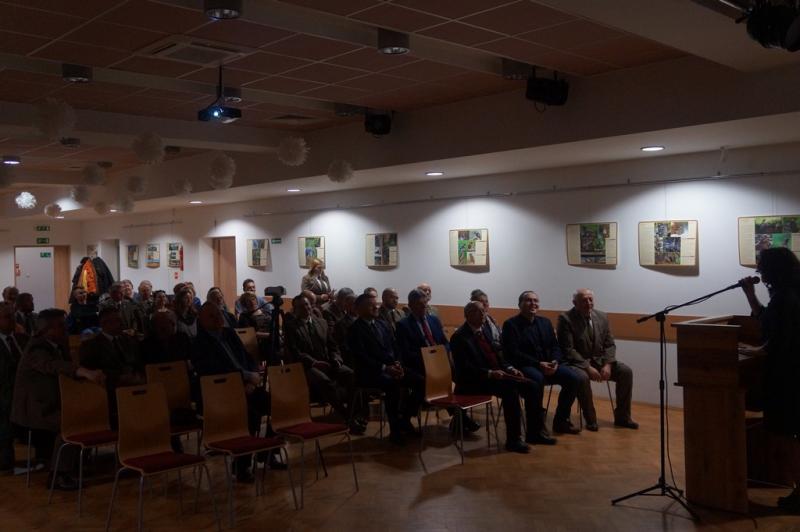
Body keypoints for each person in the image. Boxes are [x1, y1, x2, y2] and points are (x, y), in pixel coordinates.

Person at [11, 309, 105, 490]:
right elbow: (53, 366)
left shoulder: (58, 345)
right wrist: (83, 372)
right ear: (46, 330)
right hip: (36, 408)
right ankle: (58, 475)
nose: (66, 329)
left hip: (54, 403)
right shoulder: (36, 348)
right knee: (71, 423)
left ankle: (75, 464)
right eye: (61, 325)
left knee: (87, 416)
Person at [739, 247, 800, 510]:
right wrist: (750, 294)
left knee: (790, 435)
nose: (760, 273)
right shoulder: (788, 293)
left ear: (773, 270)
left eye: (762, 268)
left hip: (789, 379)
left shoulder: (785, 297)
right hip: (791, 376)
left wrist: (757, 350)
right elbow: (767, 321)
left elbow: (779, 340)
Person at [192, 302, 267, 482]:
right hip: (221, 395)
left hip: (246, 386)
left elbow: (247, 357)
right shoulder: (199, 343)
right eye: (212, 316)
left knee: (277, 404)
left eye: (219, 314)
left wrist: (253, 377)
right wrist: (246, 378)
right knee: (250, 413)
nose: (218, 318)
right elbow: (216, 371)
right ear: (201, 321)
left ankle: (269, 454)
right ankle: (242, 465)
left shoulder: (229, 333)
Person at [451, 302, 537, 453]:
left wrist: (510, 368)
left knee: (532, 385)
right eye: (478, 312)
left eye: (484, 311)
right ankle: (513, 440)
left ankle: (534, 431)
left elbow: (498, 356)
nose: (483, 314)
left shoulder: (485, 330)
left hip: (494, 376)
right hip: (473, 381)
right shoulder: (459, 337)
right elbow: (465, 369)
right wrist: (490, 373)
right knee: (510, 390)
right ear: (468, 315)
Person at [502, 291, 581, 443]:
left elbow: (555, 346)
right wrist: (538, 364)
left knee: (573, 378)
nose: (533, 303)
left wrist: (555, 361)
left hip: (549, 365)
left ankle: (561, 420)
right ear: (520, 304)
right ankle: (535, 431)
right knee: (536, 380)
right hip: (526, 366)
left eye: (536, 300)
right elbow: (513, 353)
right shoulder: (510, 325)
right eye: (528, 300)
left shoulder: (545, 322)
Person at [557, 289, 637, 431]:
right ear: (575, 303)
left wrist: (608, 364)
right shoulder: (565, 319)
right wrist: (587, 367)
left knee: (626, 372)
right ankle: (590, 419)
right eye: (584, 300)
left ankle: (623, 417)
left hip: (600, 361)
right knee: (582, 378)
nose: (588, 303)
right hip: (577, 363)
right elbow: (568, 349)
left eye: (590, 299)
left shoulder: (602, 316)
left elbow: (609, 344)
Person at [347, 293, 422, 445]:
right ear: (359, 309)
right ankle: (395, 430)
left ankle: (405, 418)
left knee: (420, 381)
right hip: (369, 373)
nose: (376, 307)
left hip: (391, 367)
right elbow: (361, 357)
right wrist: (385, 368)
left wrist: (398, 363)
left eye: (376, 304)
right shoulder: (354, 329)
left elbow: (395, 346)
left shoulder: (382, 324)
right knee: (392, 385)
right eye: (370, 305)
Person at [284, 295, 362, 434]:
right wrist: (314, 362)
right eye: (301, 306)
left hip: (328, 362)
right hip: (307, 366)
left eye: (307, 305)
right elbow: (295, 352)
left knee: (351, 375)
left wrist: (336, 358)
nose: (306, 308)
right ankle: (347, 416)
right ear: (295, 310)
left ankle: (353, 413)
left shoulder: (321, 322)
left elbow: (332, 345)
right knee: (324, 381)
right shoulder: (290, 327)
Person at [79, 307, 145, 402]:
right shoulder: (91, 345)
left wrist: (138, 375)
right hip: (109, 391)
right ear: (104, 324)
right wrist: (118, 378)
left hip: (135, 386)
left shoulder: (128, 340)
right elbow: (91, 372)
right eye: (117, 320)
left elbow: (138, 361)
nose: (122, 323)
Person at [0, 302, 27, 474]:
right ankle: (5, 465)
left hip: (20, 393)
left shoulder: (19, 339)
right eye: (7, 317)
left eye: (13, 316)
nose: (12, 321)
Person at [238, 292, 273, 362]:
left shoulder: (265, 312)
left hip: (271, 339)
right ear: (244, 303)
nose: (252, 302)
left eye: (253, 299)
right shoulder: (244, 316)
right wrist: (270, 335)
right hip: (256, 344)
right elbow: (249, 333)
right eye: (248, 301)